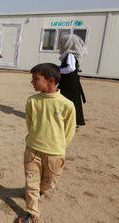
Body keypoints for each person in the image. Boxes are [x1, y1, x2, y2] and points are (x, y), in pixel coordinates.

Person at [18, 63, 76, 223]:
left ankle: (39, 191)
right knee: (31, 182)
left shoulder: (67, 105)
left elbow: (69, 131)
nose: (32, 82)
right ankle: (32, 213)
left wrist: (57, 146)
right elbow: (30, 123)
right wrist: (36, 138)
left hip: (55, 154)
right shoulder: (32, 101)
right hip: (32, 150)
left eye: (36, 79)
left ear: (50, 80)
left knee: (49, 183)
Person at [58, 34, 87, 127]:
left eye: (62, 43)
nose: (61, 45)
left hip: (69, 83)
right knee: (70, 100)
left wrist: (58, 70)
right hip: (68, 81)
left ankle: (72, 122)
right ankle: (70, 120)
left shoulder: (70, 54)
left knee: (68, 100)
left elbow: (70, 68)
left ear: (68, 43)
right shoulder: (69, 54)